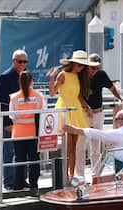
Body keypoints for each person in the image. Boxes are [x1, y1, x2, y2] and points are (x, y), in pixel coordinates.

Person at [48, 50, 99, 179]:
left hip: (75, 109)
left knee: (74, 146)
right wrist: (52, 77)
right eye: (80, 65)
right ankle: (66, 175)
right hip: (65, 108)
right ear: (74, 64)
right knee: (69, 146)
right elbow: (52, 93)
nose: (82, 68)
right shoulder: (63, 75)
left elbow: (78, 96)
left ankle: (71, 176)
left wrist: (86, 106)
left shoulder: (77, 76)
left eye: (83, 66)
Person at [64, 109, 123, 174]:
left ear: (122, 120)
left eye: (116, 119)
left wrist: (76, 130)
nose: (115, 122)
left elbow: (99, 134)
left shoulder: (121, 133)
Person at [86, 53, 123, 175]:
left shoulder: (101, 75)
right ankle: (78, 175)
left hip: (97, 112)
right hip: (83, 112)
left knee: (96, 144)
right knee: (80, 144)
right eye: (92, 67)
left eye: (97, 67)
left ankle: (95, 174)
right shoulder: (81, 74)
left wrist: (122, 99)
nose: (94, 70)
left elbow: (112, 89)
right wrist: (85, 106)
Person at [0, 49, 29, 190]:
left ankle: (22, 179)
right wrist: (6, 123)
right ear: (13, 61)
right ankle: (9, 181)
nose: (23, 64)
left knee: (24, 152)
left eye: (25, 61)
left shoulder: (27, 76)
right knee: (9, 152)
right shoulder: (5, 77)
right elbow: (1, 103)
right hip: (12, 122)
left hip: (25, 122)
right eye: (20, 61)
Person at [9, 71, 44, 191]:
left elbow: (11, 116)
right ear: (32, 81)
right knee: (34, 160)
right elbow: (44, 114)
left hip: (18, 134)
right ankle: (34, 185)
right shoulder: (39, 97)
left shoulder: (14, 97)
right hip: (34, 133)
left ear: (20, 82)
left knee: (19, 160)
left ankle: (18, 185)